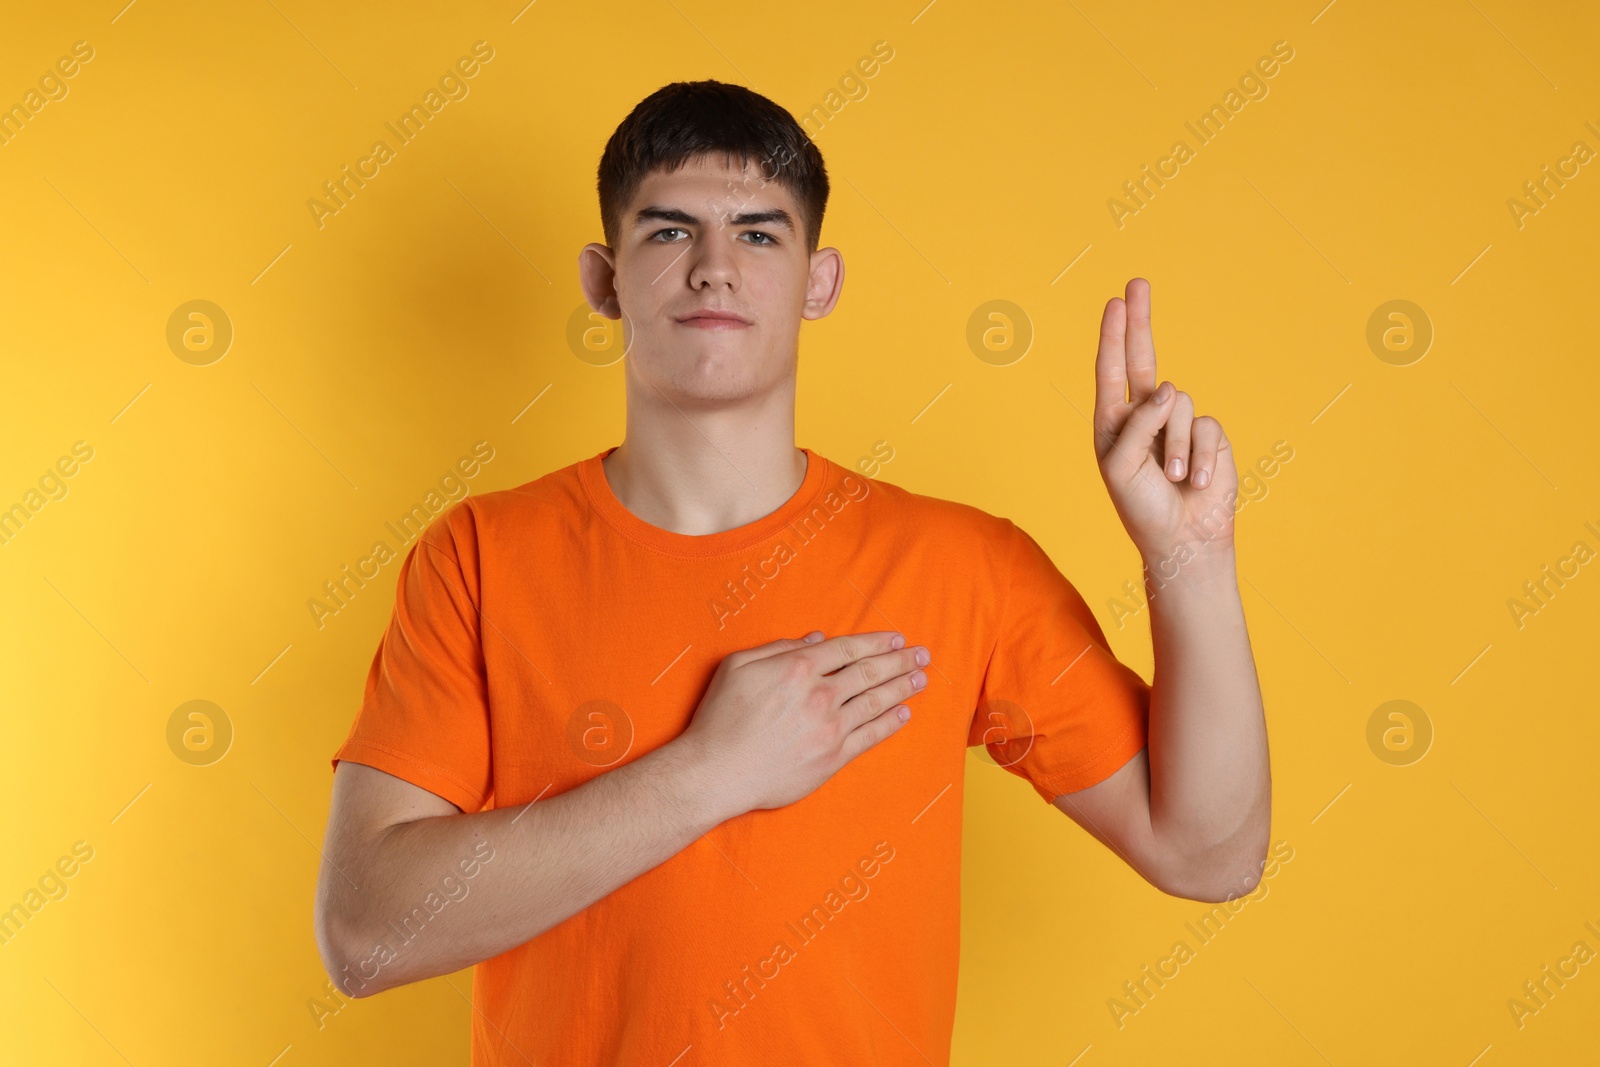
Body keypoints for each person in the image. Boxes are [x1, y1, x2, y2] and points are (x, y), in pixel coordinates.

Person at [313, 78, 1269, 1066]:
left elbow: (1210, 854)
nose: (715, 270)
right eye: (671, 232)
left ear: (819, 281)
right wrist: (711, 772)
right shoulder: (479, 555)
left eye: (761, 235)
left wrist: (1187, 557)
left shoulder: (963, 565)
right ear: (604, 279)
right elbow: (364, 930)